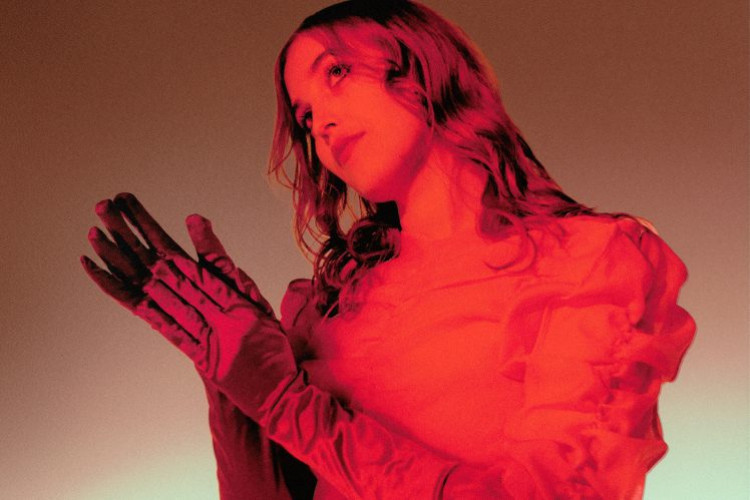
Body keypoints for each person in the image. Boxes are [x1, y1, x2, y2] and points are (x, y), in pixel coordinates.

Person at [81, 1, 696, 498]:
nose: (320, 124)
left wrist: (285, 402)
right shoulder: (330, 308)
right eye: (304, 115)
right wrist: (230, 374)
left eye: (337, 72)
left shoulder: (593, 262)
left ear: (422, 65)